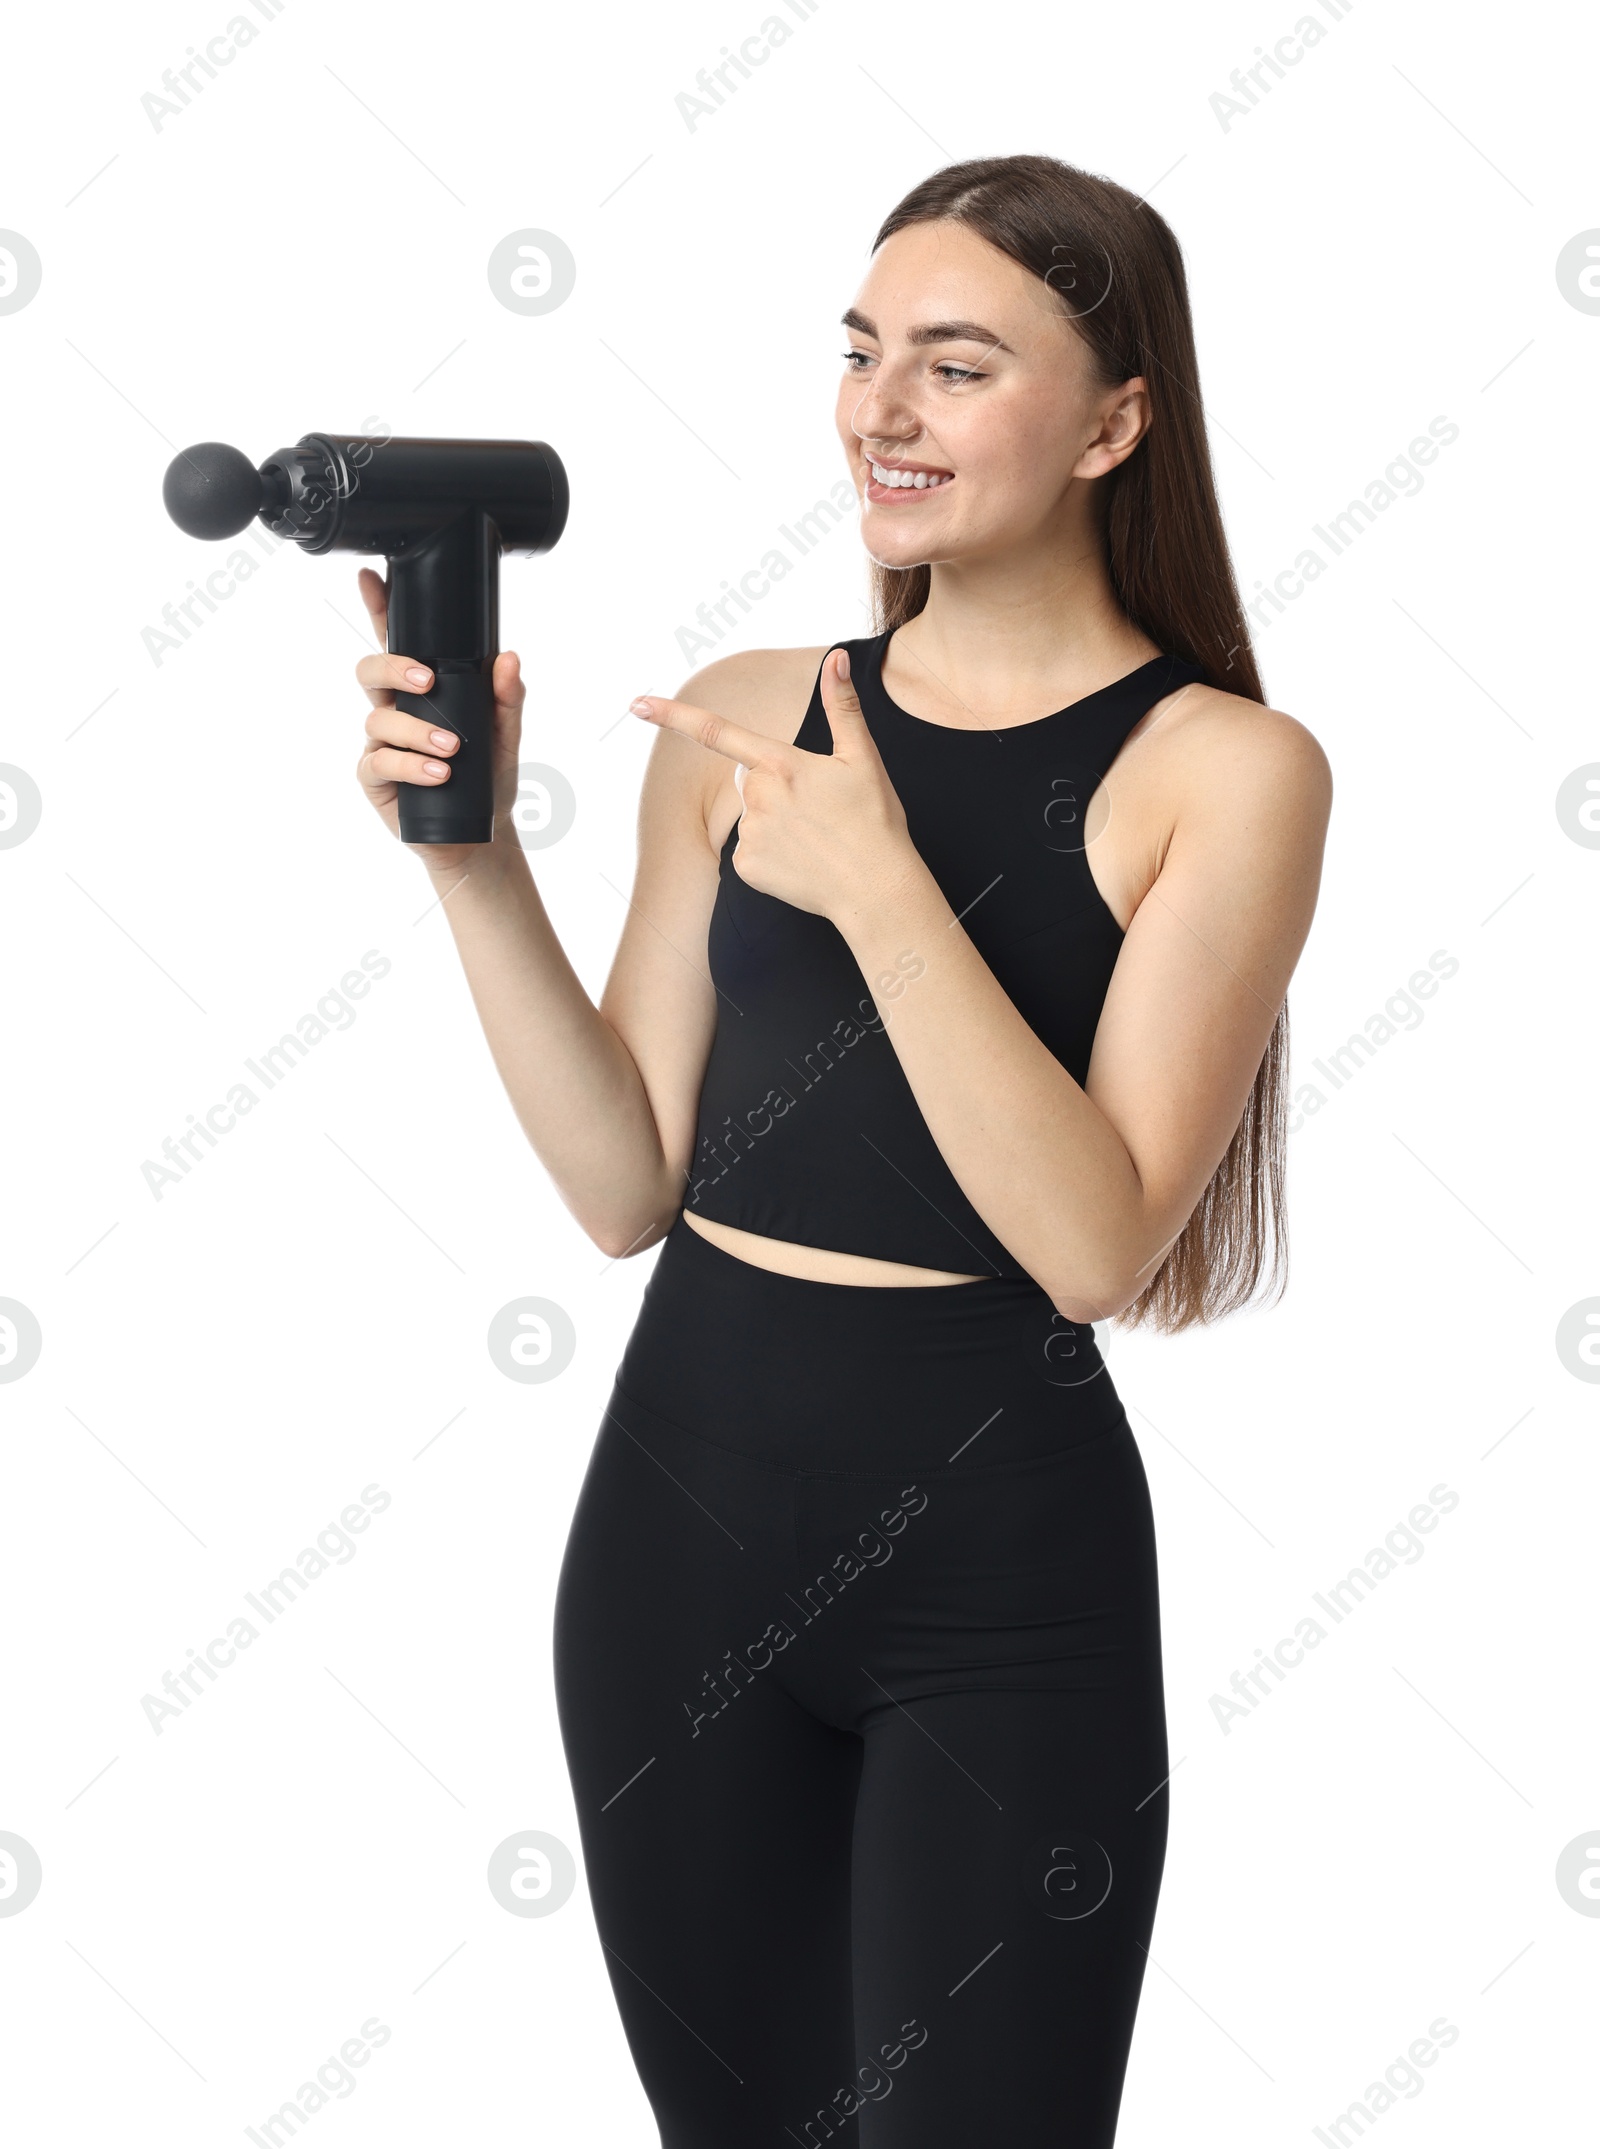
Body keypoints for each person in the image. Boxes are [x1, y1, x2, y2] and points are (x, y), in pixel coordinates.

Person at [352, 153, 1331, 2148]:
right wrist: (469, 868)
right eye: (861, 352)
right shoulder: (731, 717)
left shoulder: (1219, 772)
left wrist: (883, 889)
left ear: (1112, 423)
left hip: (999, 1586)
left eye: (954, 367)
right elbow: (627, 1182)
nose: (878, 411)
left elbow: (1093, 1242)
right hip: (672, 1549)